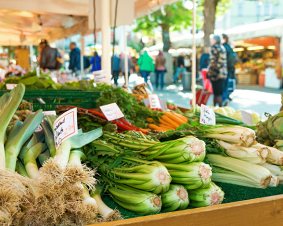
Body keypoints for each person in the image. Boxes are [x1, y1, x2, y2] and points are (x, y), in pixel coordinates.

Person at [207, 35, 227, 107]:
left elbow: (212, 62)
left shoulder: (214, 48)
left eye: (212, 39)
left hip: (215, 74)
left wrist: (209, 72)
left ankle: (215, 109)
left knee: (216, 93)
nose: (211, 41)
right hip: (223, 74)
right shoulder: (222, 47)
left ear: (215, 40)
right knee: (219, 93)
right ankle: (219, 109)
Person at [222, 34, 237, 104]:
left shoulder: (223, 47)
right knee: (228, 83)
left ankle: (224, 98)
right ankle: (227, 97)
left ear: (224, 39)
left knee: (224, 84)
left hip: (225, 69)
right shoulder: (229, 47)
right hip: (230, 68)